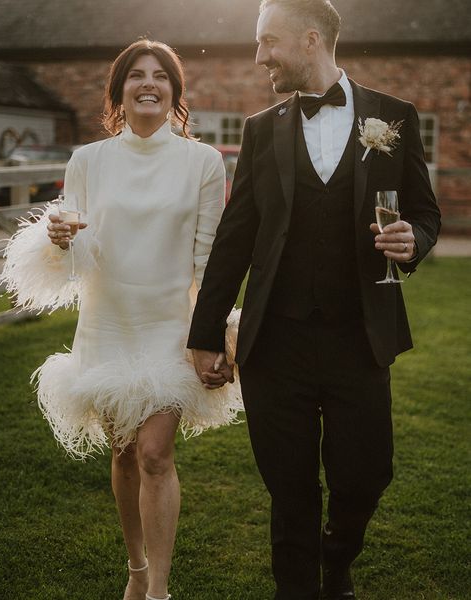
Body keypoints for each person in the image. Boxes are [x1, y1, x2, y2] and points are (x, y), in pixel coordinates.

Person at [187, 1, 441, 598]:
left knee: (366, 476)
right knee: (289, 484)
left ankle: (338, 554)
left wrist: (416, 241)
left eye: (267, 42)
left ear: (309, 41)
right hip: (277, 340)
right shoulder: (259, 130)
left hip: (361, 336)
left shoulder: (394, 118)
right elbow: (234, 238)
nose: (258, 57)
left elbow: (426, 212)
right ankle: (296, 587)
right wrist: (204, 336)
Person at [0, 39, 241, 600]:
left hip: (168, 328)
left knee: (156, 453)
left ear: (176, 92)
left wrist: (215, 332)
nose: (149, 82)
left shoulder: (202, 162)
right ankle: (134, 571)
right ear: (120, 91)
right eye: (137, 75)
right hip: (107, 326)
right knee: (125, 452)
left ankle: (157, 590)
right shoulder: (88, 160)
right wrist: (55, 239)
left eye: (161, 75)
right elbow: (75, 254)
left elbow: (209, 257)